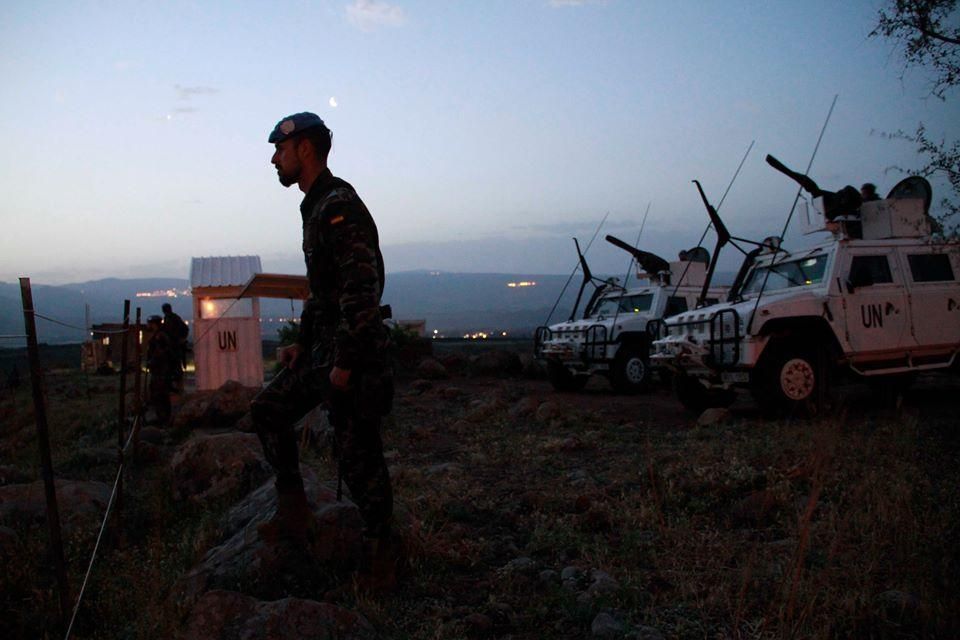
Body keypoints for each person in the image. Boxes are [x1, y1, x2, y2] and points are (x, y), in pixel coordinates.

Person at [251, 112, 396, 582]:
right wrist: (302, 343)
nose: (275, 159)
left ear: (305, 149)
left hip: (354, 353)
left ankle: (382, 558)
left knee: (358, 456)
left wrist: (346, 365)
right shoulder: (314, 206)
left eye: (280, 149)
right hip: (326, 350)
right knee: (269, 408)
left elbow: (361, 289)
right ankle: (294, 512)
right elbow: (322, 293)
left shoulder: (338, 206)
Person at [146, 316, 174, 425]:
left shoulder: (160, 336)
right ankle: (163, 418)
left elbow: (160, 353)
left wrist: (152, 361)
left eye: (149, 323)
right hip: (159, 370)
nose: (148, 325)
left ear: (154, 324)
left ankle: (164, 419)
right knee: (160, 394)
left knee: (160, 394)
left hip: (161, 371)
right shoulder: (160, 334)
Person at [161, 302, 189, 389]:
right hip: (172, 346)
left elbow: (185, 329)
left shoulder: (172, 318)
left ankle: (179, 387)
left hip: (175, 346)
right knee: (172, 366)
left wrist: (181, 339)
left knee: (175, 366)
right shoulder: (170, 318)